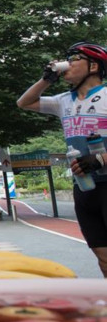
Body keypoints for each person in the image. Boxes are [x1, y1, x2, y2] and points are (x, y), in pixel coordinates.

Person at [17, 42, 107, 277]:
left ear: (94, 65)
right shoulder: (63, 100)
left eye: (74, 58)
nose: (67, 62)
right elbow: (23, 103)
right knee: (102, 256)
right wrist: (46, 80)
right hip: (84, 185)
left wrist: (101, 159)